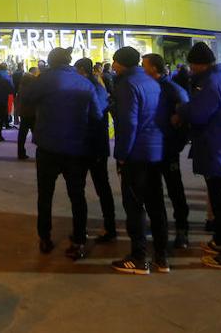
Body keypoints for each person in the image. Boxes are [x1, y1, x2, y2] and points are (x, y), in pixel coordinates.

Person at [20, 46, 105, 260]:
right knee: (77, 196)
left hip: (48, 147)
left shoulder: (45, 80)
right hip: (77, 149)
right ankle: (79, 240)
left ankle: (45, 238)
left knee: (45, 195)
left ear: (50, 61)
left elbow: (26, 100)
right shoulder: (84, 82)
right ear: (69, 61)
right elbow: (97, 114)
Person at [175, 41, 221, 271]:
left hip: (220, 149)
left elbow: (198, 114)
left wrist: (180, 110)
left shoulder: (213, 83)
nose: (191, 69)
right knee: (219, 202)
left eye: (192, 65)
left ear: (199, 64)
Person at [109, 46, 168, 274]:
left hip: (137, 153)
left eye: (115, 62)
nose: (113, 66)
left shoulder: (127, 85)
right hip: (155, 151)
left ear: (122, 63)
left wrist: (122, 156)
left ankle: (138, 257)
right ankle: (161, 257)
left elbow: (128, 124)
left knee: (134, 205)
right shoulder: (151, 83)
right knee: (156, 204)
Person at [144, 53, 190, 249]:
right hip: (153, 146)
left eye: (144, 64)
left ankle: (182, 229)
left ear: (154, 68)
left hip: (167, 147)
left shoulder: (170, 87)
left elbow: (185, 107)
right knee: (154, 191)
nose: (142, 68)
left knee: (174, 190)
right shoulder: (155, 86)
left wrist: (178, 128)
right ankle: (160, 227)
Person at [75, 57, 117, 244]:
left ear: (82, 70)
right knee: (99, 187)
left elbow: (97, 113)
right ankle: (106, 226)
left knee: (91, 187)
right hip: (95, 145)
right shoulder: (96, 86)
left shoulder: (90, 88)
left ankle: (107, 227)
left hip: (90, 144)